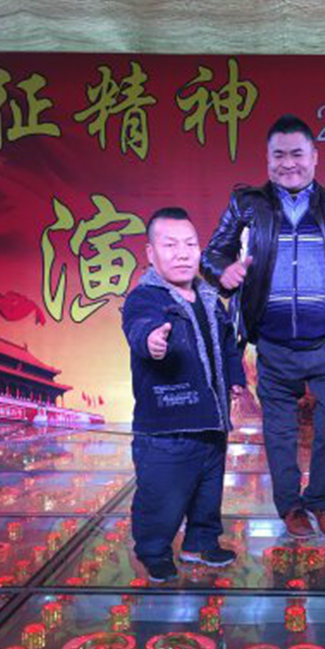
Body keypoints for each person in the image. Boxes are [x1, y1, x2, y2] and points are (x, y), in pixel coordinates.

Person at [201, 114, 325, 540]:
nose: (288, 164)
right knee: (279, 431)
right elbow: (212, 254)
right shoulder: (248, 204)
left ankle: (321, 500)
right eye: (278, 155)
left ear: (315, 157)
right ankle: (290, 507)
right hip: (273, 343)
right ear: (267, 159)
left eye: (297, 154)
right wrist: (223, 272)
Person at [122, 207, 245, 583]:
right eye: (170, 245)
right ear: (150, 253)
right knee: (162, 496)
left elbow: (227, 345)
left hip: (212, 420)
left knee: (208, 491)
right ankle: (153, 551)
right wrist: (151, 341)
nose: (182, 253)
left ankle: (201, 542)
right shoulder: (145, 298)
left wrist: (236, 378)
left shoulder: (209, 297)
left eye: (190, 244)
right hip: (167, 427)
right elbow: (139, 327)